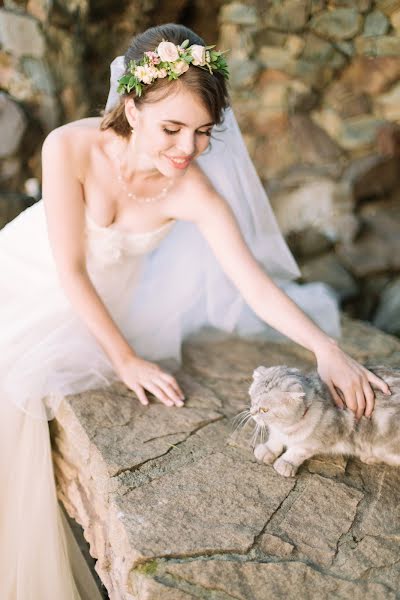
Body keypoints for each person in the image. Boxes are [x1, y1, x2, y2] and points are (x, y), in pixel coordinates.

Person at [0, 22, 391, 599]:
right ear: (131, 107)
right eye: (172, 128)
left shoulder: (194, 192)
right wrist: (126, 359)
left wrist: (326, 350)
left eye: (204, 132)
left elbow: (255, 286)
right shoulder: (68, 145)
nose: (187, 149)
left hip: (104, 301)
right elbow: (71, 273)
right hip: (26, 283)